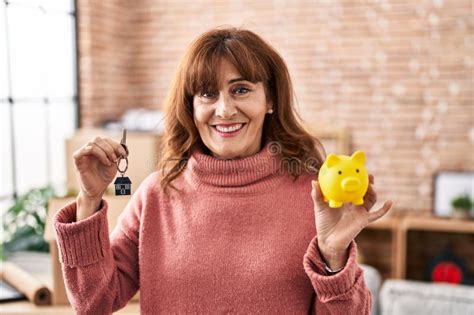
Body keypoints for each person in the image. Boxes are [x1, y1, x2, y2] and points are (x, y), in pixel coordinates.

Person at [54, 27, 393, 314]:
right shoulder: (157, 194)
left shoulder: (314, 197)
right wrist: (89, 198)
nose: (225, 109)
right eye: (207, 93)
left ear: (270, 100)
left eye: (241, 89)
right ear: (192, 106)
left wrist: (333, 256)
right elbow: (93, 302)